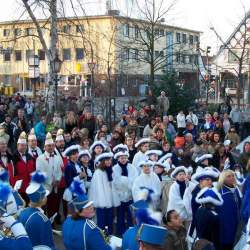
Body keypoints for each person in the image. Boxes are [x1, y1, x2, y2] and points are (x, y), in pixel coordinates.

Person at [62, 180, 113, 250]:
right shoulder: (90, 228)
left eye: (91, 205)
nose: (92, 207)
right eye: (88, 207)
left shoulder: (67, 221)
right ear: (80, 212)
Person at [18, 171, 56, 249]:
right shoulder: (43, 219)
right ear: (41, 199)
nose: (46, 197)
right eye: (45, 196)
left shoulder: (23, 212)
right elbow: (48, 245)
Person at [36, 132, 63, 219]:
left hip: (55, 188)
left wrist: (58, 180)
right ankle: (44, 224)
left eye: (52, 145)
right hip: (44, 188)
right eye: (49, 146)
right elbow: (40, 173)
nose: (51, 147)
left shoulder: (57, 158)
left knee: (53, 207)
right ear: (44, 147)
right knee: (43, 208)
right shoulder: (40, 159)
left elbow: (59, 171)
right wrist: (51, 182)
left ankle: (53, 224)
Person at [88, 152, 116, 234]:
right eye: (106, 160)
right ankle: (102, 238)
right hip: (101, 202)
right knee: (102, 222)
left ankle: (109, 236)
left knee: (109, 221)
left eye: (110, 160)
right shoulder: (98, 172)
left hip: (109, 201)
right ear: (102, 161)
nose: (108, 162)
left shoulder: (110, 171)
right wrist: (102, 202)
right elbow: (97, 189)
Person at [0, 183, 33, 250]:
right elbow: (25, 247)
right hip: (9, 226)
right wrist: (15, 224)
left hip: (7, 222)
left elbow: (21, 203)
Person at [112, 151, 138, 235]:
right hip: (120, 197)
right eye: (121, 158)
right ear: (118, 158)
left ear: (127, 158)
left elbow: (135, 181)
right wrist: (126, 181)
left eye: (125, 157)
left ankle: (131, 232)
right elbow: (115, 182)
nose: (123, 159)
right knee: (120, 216)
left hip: (130, 196)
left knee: (131, 216)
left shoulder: (132, 167)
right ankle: (120, 233)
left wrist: (124, 181)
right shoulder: (114, 168)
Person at [217, 170, 242, 250]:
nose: (232, 178)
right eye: (228, 176)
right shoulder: (223, 194)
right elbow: (225, 219)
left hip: (236, 227)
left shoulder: (234, 190)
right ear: (223, 179)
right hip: (226, 233)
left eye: (233, 176)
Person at [12, 132, 35, 204]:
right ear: (18, 145)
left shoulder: (30, 157)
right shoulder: (13, 158)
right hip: (19, 190)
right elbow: (12, 175)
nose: (24, 147)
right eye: (22, 145)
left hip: (29, 188)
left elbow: (33, 171)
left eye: (25, 145)